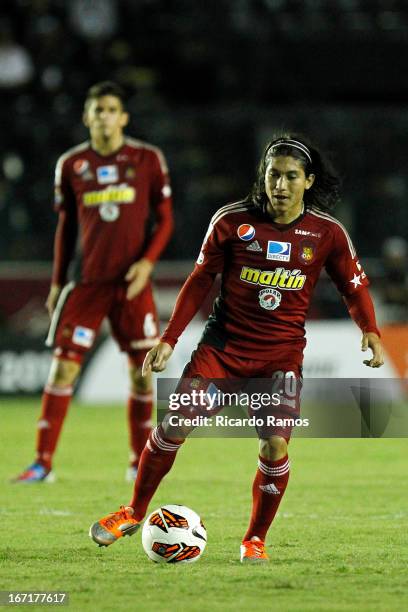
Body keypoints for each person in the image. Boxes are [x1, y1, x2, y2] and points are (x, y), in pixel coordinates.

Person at [89, 134, 384, 562]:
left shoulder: (327, 233)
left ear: (308, 181)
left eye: (290, 177)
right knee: (174, 425)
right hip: (222, 352)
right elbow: (198, 282)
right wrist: (169, 339)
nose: (280, 185)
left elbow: (353, 288)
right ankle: (133, 511)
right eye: (273, 175)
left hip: (279, 360)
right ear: (262, 177)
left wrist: (370, 330)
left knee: (275, 447)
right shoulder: (232, 221)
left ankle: (255, 540)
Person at [13, 81, 173, 483]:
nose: (103, 116)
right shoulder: (72, 165)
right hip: (87, 285)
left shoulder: (147, 158)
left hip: (131, 285)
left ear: (123, 117)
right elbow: (65, 228)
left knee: (141, 373)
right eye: (96, 110)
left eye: (110, 109)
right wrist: (56, 283)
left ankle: (139, 461)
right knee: (62, 370)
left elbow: (166, 219)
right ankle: (42, 463)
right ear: (86, 117)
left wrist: (147, 264)